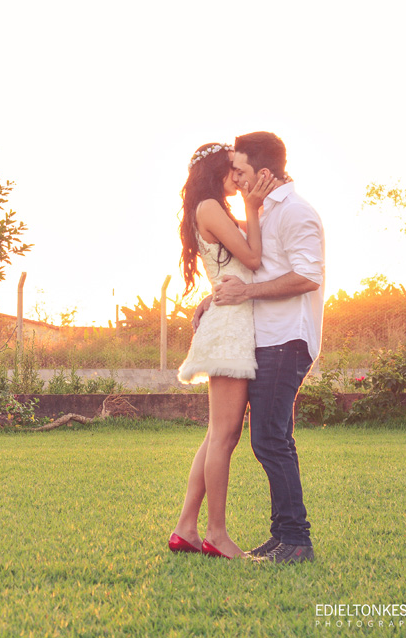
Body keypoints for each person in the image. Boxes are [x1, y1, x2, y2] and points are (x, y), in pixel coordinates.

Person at [210, 131, 325, 564]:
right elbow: (257, 272)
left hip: (288, 340)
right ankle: (284, 538)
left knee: (271, 440)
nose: (233, 178)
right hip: (269, 340)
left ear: (262, 172)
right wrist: (220, 295)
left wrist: (247, 294)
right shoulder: (263, 212)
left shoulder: (297, 212)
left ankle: (296, 540)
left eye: (238, 170)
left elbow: (306, 277)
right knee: (271, 440)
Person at [169, 142, 277, 560]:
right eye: (233, 169)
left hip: (229, 317)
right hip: (230, 325)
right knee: (226, 435)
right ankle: (216, 533)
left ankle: (185, 528)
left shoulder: (211, 208)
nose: (239, 176)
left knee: (217, 434)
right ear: (217, 171)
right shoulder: (212, 207)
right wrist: (254, 206)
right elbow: (251, 258)